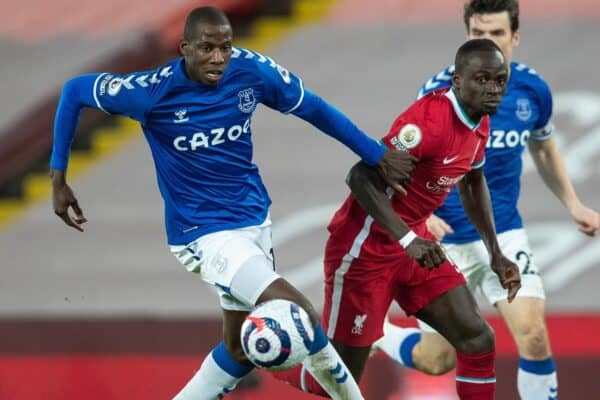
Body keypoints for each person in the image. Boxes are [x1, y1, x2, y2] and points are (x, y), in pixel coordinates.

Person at [49, 6, 416, 400]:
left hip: (252, 220)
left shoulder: (250, 72)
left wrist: (376, 155)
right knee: (300, 316)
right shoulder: (150, 93)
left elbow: (314, 108)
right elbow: (74, 92)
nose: (218, 58)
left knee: (240, 353)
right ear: (184, 47)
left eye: (225, 47)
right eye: (207, 48)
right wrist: (58, 176)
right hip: (203, 235)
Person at [374, 1, 600, 399]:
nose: (487, 42)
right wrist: (421, 218)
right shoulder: (437, 93)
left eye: (496, 34)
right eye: (478, 34)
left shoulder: (532, 90)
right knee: (438, 359)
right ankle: (378, 333)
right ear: (467, 36)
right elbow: (401, 164)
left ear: (514, 36)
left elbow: (544, 149)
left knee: (533, 334)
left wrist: (573, 204)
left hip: (504, 232)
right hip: (444, 241)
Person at [274, 38, 520, 400]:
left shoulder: (480, 122)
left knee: (477, 339)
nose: (492, 89)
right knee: (339, 387)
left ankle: (378, 335)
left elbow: (472, 182)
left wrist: (495, 253)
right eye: (481, 79)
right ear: (457, 80)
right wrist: (408, 240)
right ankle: (267, 350)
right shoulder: (427, 124)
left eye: (499, 80)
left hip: (415, 245)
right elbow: (359, 178)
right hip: (364, 250)